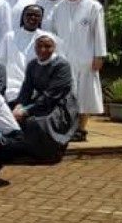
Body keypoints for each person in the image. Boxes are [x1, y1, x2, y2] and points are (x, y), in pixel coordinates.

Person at [52, 0, 106, 142]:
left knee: (85, 95)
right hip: (64, 60)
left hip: (86, 59)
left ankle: (81, 129)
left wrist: (99, 55)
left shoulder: (93, 6)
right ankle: (68, 127)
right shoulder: (59, 8)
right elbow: (53, 34)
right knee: (67, 95)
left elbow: (99, 33)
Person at [12, 33, 79, 161]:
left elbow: (52, 94)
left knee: (38, 122)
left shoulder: (62, 65)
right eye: (39, 46)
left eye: (47, 46)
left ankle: (49, 154)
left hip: (60, 103)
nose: (42, 50)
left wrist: (26, 110)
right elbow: (27, 88)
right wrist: (19, 105)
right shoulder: (32, 64)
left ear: (54, 47)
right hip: (42, 101)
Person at [0, 4, 47, 103]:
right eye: (29, 14)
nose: (32, 18)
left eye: (37, 15)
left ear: (41, 19)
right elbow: (1, 63)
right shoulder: (10, 37)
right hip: (12, 89)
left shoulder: (47, 39)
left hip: (37, 91)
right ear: (23, 17)